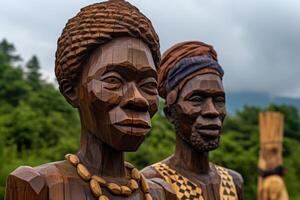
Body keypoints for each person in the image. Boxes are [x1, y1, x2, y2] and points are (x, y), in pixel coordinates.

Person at [5, 1, 175, 199]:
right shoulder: (37, 184)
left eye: (148, 85)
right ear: (71, 91)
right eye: (113, 80)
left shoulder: (161, 192)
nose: (138, 99)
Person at [142, 41, 244, 199]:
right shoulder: (152, 183)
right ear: (170, 113)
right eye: (197, 99)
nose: (212, 111)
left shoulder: (234, 182)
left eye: (219, 100)